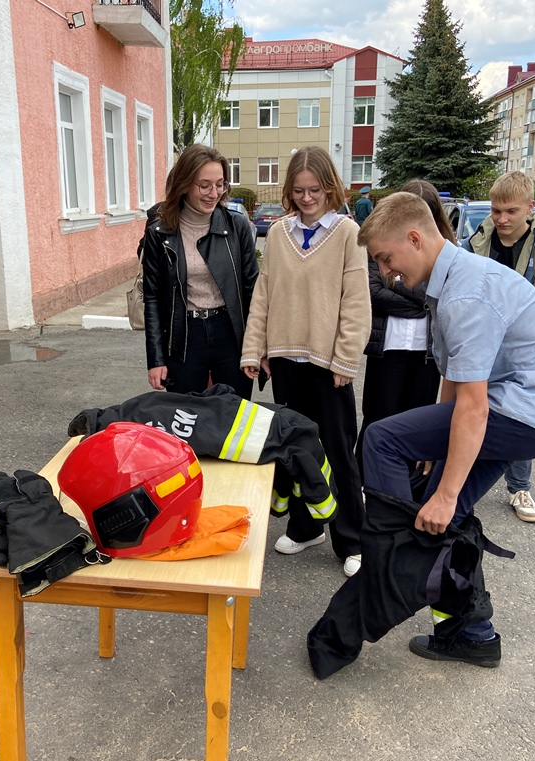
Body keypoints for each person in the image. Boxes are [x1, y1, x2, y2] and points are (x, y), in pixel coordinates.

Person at [355, 191, 535, 667]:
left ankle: (394, 563)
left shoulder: (465, 294)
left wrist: (445, 491)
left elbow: (472, 409)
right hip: (526, 410)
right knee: (445, 517)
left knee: (382, 439)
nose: (387, 272)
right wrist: (435, 449)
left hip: (523, 411)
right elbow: (455, 378)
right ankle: (474, 636)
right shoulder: (456, 278)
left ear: (415, 238)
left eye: (386, 258)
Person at [240, 146, 371, 578]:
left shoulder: (350, 234)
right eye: (298, 191)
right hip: (285, 362)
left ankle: (351, 539)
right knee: (296, 451)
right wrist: (254, 349)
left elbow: (356, 304)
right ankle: (305, 525)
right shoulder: (277, 234)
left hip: (327, 364)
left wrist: (345, 360)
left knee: (338, 450)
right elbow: (264, 294)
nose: (307, 198)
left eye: (315, 190)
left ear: (330, 187)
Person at [460, 171, 535, 524]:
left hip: (524, 348)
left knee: (519, 413)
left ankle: (519, 487)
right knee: (472, 412)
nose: (502, 220)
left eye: (510, 211)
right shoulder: (477, 241)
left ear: (530, 208)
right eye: (495, 211)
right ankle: (462, 484)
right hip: (482, 340)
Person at [141, 144, 258, 400]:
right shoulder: (159, 233)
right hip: (184, 336)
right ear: (184, 183)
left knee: (233, 415)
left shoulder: (236, 226)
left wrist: (256, 348)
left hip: (230, 333)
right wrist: (156, 358)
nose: (213, 193)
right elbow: (152, 298)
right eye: (204, 185)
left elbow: (253, 290)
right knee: (186, 417)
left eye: (220, 184)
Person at [355, 179, 447, 485]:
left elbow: (438, 297)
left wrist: (399, 288)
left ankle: (407, 483)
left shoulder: (449, 253)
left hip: (427, 352)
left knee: (417, 418)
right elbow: (373, 292)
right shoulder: (382, 245)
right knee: (378, 414)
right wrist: (419, 299)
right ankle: (367, 481)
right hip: (389, 346)